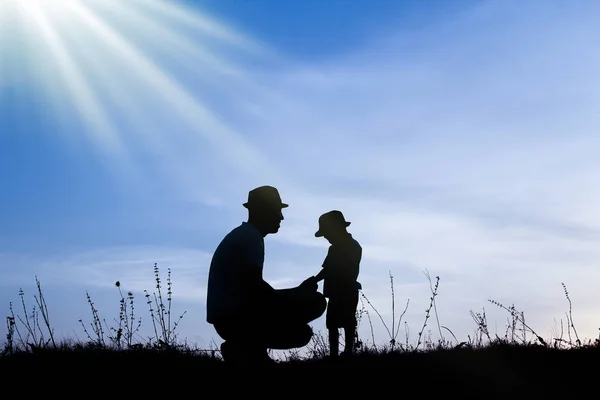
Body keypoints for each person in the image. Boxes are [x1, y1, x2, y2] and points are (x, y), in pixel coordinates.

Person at [206, 185, 326, 365]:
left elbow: (253, 289)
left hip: (228, 316)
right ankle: (245, 348)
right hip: (235, 318)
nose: (281, 217)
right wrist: (294, 296)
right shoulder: (251, 238)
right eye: (277, 211)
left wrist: (296, 291)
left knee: (305, 301)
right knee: (314, 305)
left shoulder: (244, 235)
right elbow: (255, 288)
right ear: (264, 211)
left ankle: (250, 350)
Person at [313, 210, 362, 357]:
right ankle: (334, 353)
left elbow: (334, 268)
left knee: (348, 322)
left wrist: (315, 280)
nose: (326, 237)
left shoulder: (352, 246)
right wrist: (314, 280)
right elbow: (327, 269)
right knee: (333, 323)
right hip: (335, 292)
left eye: (327, 233)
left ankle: (347, 352)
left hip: (347, 290)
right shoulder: (334, 248)